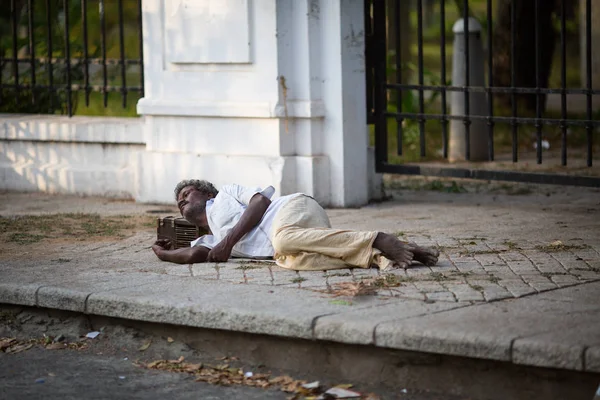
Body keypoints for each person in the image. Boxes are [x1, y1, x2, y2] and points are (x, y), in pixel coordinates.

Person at [151, 179, 439, 271]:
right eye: (178, 202)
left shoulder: (226, 193)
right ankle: (382, 255)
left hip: (296, 209)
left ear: (207, 193)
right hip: (301, 239)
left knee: (284, 243)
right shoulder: (211, 238)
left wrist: (228, 243)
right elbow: (194, 255)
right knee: (291, 260)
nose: (181, 201)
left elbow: (260, 202)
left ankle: (378, 238)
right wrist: (163, 254)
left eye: (186, 194)